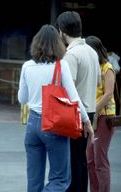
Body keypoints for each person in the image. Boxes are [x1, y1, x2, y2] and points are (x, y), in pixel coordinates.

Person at [18, 24, 94, 192]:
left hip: (32, 125)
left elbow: (22, 98)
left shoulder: (27, 66)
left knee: (34, 180)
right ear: (57, 44)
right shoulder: (61, 66)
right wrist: (86, 121)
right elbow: (74, 98)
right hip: (53, 125)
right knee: (60, 179)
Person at [56, 11, 101, 192]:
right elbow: (98, 82)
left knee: (72, 162)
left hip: (75, 112)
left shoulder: (71, 55)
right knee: (81, 160)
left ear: (61, 31)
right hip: (89, 110)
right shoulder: (92, 51)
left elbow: (69, 87)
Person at [85, 35, 116, 192]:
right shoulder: (93, 67)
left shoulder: (107, 68)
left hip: (104, 117)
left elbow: (108, 94)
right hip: (94, 117)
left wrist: (93, 110)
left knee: (100, 160)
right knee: (90, 159)